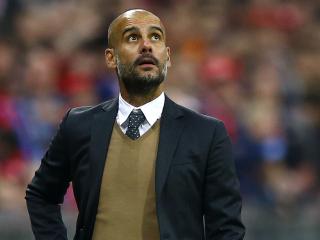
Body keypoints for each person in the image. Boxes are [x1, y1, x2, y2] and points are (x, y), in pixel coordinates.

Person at [25, 9, 245, 240]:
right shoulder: (79, 125)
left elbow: (226, 228)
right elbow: (41, 195)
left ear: (167, 57)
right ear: (111, 58)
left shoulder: (206, 133)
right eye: (132, 37)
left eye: (156, 37)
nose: (146, 46)